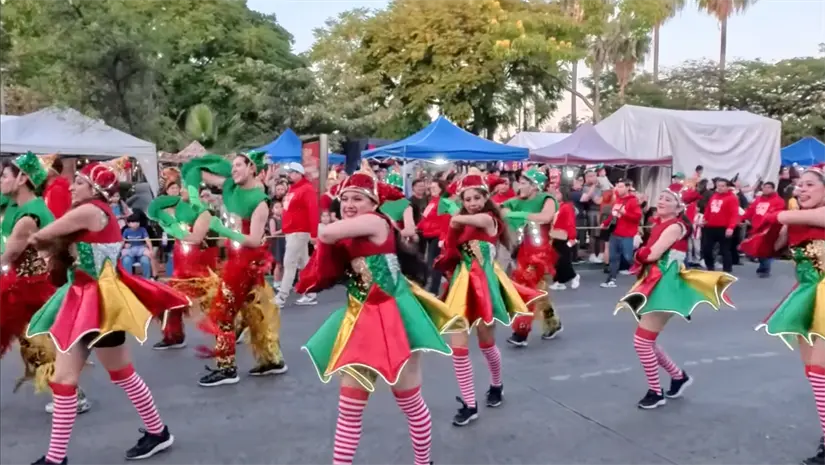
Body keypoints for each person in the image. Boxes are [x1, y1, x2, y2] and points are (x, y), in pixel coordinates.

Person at [26, 157, 188, 464]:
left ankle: (158, 432)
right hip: (81, 300)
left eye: (80, 182)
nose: (73, 185)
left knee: (122, 373)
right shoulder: (91, 212)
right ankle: (55, 458)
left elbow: (45, 233)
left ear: (95, 189)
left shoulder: (91, 211)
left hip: (100, 304)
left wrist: (32, 236)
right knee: (64, 380)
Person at [294, 167, 461, 465]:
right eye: (344, 198)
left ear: (373, 204)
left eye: (357, 198)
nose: (348, 204)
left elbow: (326, 233)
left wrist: (313, 204)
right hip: (360, 319)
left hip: (395, 319)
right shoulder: (356, 226)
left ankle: (424, 462)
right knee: (349, 408)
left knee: (409, 402)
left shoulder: (374, 221)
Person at [434, 171, 542, 427]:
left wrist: (453, 217)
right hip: (461, 283)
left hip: (484, 283)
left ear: (485, 197)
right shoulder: (462, 221)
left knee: (486, 344)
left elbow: (475, 220)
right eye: (467, 198)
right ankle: (469, 404)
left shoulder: (490, 218)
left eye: (476, 197)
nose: (471, 202)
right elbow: (450, 249)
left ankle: (496, 384)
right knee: (458, 347)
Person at [615, 189, 736, 409]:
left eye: (668, 199)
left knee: (642, 342)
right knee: (647, 341)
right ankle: (678, 377)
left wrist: (637, 251)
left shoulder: (674, 226)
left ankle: (656, 391)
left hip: (666, 284)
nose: (661, 201)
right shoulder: (661, 224)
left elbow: (651, 254)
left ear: (679, 208)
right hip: (655, 281)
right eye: (660, 197)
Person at [739, 164, 825, 465]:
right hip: (807, 293)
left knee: (819, 370)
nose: (801, 189)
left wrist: (775, 216)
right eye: (799, 186)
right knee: (813, 370)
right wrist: (771, 226)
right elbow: (773, 246)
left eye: (810, 185)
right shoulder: (796, 221)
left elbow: (783, 216)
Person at [181, 152, 288, 387]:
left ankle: (226, 367)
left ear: (252, 168)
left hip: (245, 263)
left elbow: (254, 239)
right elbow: (204, 175)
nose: (234, 170)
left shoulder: (259, 201)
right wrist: (193, 176)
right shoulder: (230, 185)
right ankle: (272, 360)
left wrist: (222, 229)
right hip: (235, 259)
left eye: (239, 165)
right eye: (232, 166)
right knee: (253, 310)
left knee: (223, 312)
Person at [0, 154, 94, 415]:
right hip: (25, 284)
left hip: (25, 289)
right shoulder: (18, 205)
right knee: (38, 344)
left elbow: (7, 257)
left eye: (4, 176)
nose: (0, 181)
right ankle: (71, 393)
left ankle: (72, 395)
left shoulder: (28, 217)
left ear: (22, 179)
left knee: (38, 346)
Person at [146, 168, 220, 350]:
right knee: (169, 298)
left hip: (201, 260)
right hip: (182, 261)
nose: (178, 191)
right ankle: (173, 335)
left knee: (214, 300)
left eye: (180, 187)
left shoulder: (199, 208)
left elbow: (208, 235)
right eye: (173, 188)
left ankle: (232, 329)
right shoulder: (166, 210)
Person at [502, 168, 562, 347]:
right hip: (523, 250)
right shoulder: (517, 201)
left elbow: (545, 217)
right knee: (537, 290)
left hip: (541, 252)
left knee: (527, 289)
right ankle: (553, 323)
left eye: (524, 183)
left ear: (534, 186)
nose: (519, 186)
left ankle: (521, 331)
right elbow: (501, 210)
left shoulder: (546, 199)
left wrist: (520, 215)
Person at [277, 162, 319, 307]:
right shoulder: (294, 189)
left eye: (292, 172)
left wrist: (314, 234)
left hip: (299, 231)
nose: (289, 175)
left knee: (289, 263)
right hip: (293, 231)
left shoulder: (306, 189)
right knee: (303, 263)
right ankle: (310, 292)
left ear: (299, 174)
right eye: (289, 172)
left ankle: (282, 296)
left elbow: (313, 211)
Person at [601, 180, 643, 288]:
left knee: (628, 257)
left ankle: (644, 273)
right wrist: (605, 223)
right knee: (613, 258)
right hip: (615, 233)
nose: (618, 189)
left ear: (627, 187)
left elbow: (637, 217)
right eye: (617, 187)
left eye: (621, 187)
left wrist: (625, 213)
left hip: (627, 234)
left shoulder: (633, 201)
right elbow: (613, 215)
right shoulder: (618, 200)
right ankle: (611, 279)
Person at [740, 181, 785, 278]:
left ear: (773, 189)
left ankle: (765, 268)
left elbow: (778, 214)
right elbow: (750, 211)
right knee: (758, 248)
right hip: (756, 227)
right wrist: (741, 218)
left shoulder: (779, 201)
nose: (766, 189)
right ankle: (763, 265)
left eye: (768, 187)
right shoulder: (758, 200)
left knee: (764, 248)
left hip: (768, 228)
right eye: (764, 187)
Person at [417, 179, 451, 294]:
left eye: (434, 187)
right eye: (431, 188)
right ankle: (436, 287)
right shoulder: (432, 202)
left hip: (437, 236)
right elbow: (425, 219)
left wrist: (442, 238)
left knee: (434, 264)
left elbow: (445, 221)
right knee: (431, 263)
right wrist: (417, 228)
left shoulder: (442, 202)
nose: (432, 189)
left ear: (441, 189)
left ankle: (434, 290)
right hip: (429, 235)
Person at [700, 178, 739, 272]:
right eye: (718, 186)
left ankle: (727, 270)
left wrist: (731, 227)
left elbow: (734, 214)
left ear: (727, 187)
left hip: (724, 227)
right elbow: (708, 209)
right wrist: (704, 219)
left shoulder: (732, 198)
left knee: (725, 250)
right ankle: (710, 267)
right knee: (706, 249)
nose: (720, 188)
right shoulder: (714, 196)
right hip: (710, 227)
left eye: (722, 186)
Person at [120, 213, 154, 279]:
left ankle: (147, 280)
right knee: (126, 261)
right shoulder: (126, 231)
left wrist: (151, 250)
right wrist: (121, 248)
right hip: (130, 252)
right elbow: (122, 241)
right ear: (128, 224)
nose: (135, 223)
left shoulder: (143, 230)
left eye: (137, 221)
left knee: (145, 261)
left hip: (141, 251)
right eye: (133, 222)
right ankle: (128, 279)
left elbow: (147, 240)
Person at [40, 155, 71, 219]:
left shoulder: (57, 190)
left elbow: (56, 217)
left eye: (43, 167)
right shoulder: (51, 189)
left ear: (52, 172)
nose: (40, 171)